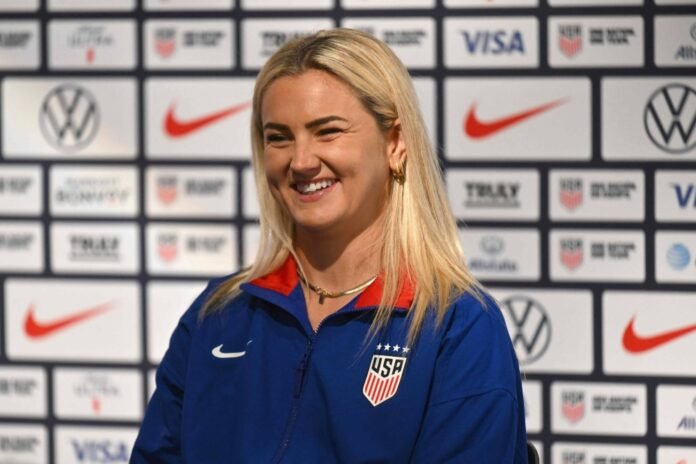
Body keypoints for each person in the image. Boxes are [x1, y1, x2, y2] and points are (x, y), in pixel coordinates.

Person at [132, 28, 527, 463]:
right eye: (278, 137)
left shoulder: (456, 327)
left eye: (327, 131)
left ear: (395, 143)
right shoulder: (217, 315)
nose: (300, 161)